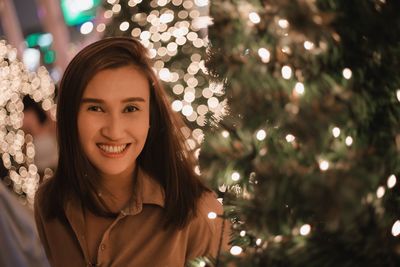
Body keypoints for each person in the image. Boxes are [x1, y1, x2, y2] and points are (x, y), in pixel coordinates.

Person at [34, 37, 229, 267]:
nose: (114, 131)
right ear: (70, 117)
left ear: (150, 117)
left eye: (131, 108)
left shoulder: (199, 213)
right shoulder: (49, 204)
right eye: (95, 108)